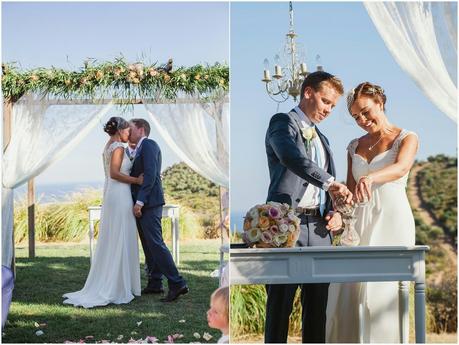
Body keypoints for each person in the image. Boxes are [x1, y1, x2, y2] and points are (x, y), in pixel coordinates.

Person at [326, 82, 419, 343]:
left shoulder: (407, 137)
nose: (362, 120)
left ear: (380, 102)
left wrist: (372, 178)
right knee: (347, 290)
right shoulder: (353, 146)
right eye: (356, 116)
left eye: (366, 111)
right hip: (359, 224)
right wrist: (339, 214)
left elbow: (401, 168)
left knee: (383, 293)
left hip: (391, 219)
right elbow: (350, 192)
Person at [264, 71, 352, 343]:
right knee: (280, 304)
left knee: (317, 308)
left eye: (333, 106)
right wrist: (330, 183)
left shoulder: (323, 139)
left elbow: (327, 191)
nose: (328, 109)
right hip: (286, 224)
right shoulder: (282, 122)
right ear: (308, 92)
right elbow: (291, 157)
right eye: (326, 101)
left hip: (320, 229)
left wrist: (335, 213)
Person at [63, 117, 143, 308]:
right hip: (120, 193)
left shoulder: (107, 146)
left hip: (112, 193)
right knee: (121, 234)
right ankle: (117, 285)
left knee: (115, 235)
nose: (129, 134)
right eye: (127, 131)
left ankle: (119, 281)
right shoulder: (117, 147)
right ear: (120, 130)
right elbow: (115, 173)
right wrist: (136, 181)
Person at [128, 118, 189, 302]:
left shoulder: (149, 145)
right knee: (148, 245)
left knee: (155, 243)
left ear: (141, 129)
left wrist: (139, 202)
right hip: (143, 203)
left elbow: (151, 176)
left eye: (130, 128)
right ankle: (155, 282)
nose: (127, 131)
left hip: (149, 203)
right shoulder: (137, 149)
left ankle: (177, 283)